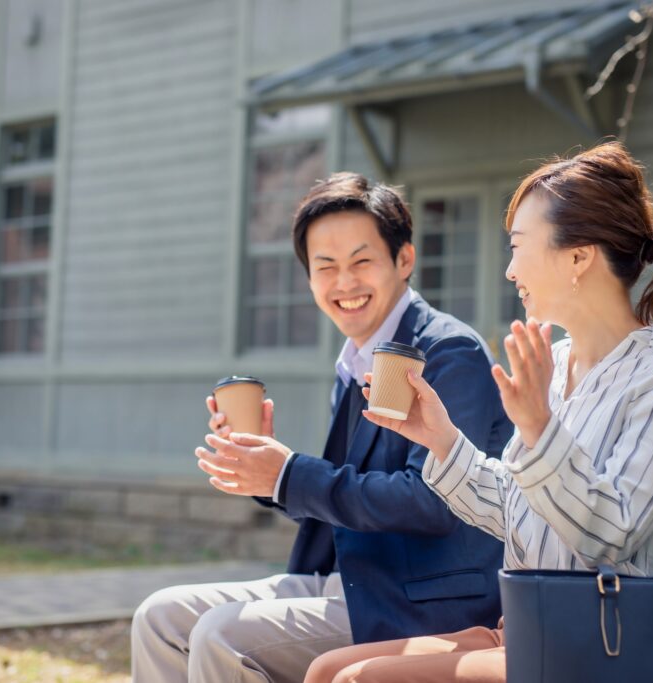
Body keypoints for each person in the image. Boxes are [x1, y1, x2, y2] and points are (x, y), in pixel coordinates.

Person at [305, 142, 653, 683]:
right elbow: (517, 511)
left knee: (357, 680)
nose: (508, 270)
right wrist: (442, 440)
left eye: (519, 246)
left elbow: (611, 530)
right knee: (327, 669)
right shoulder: (562, 364)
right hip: (539, 627)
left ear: (578, 258)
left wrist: (539, 429)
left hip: (619, 645)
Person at [131, 172, 511, 683]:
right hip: (348, 580)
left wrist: (289, 474)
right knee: (159, 616)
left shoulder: (445, 351)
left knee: (220, 634)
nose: (344, 283)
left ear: (404, 260)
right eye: (325, 267)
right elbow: (346, 497)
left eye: (361, 261)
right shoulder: (355, 361)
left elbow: (434, 500)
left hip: (418, 599)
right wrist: (264, 473)